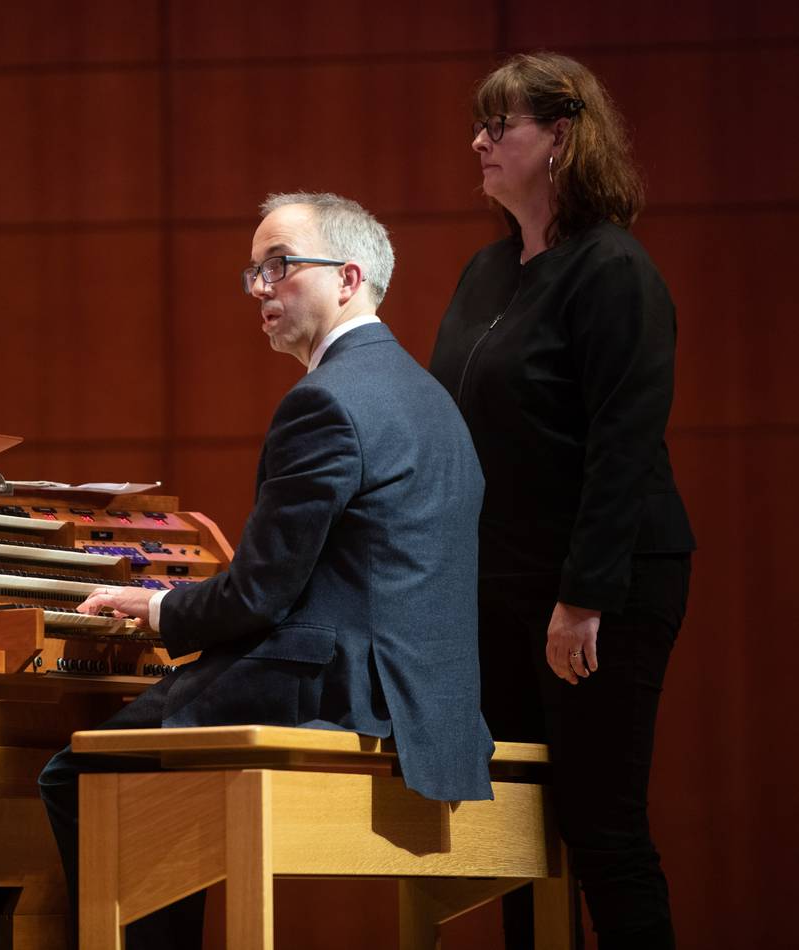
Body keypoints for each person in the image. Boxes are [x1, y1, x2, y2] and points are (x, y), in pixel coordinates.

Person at [40, 191, 494, 949]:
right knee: (137, 757)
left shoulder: (326, 400)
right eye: (253, 271)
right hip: (432, 701)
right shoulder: (430, 398)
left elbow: (259, 592)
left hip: (340, 691)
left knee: (80, 775)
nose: (259, 288)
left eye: (280, 266)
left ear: (348, 278)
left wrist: (158, 608)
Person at [429, 53, 696, 950]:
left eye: (498, 125)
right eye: (478, 125)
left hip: (602, 585)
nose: (478, 142)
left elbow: (623, 445)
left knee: (601, 826)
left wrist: (582, 599)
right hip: (501, 588)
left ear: (563, 135)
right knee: (513, 829)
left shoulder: (614, 269)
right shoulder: (484, 272)